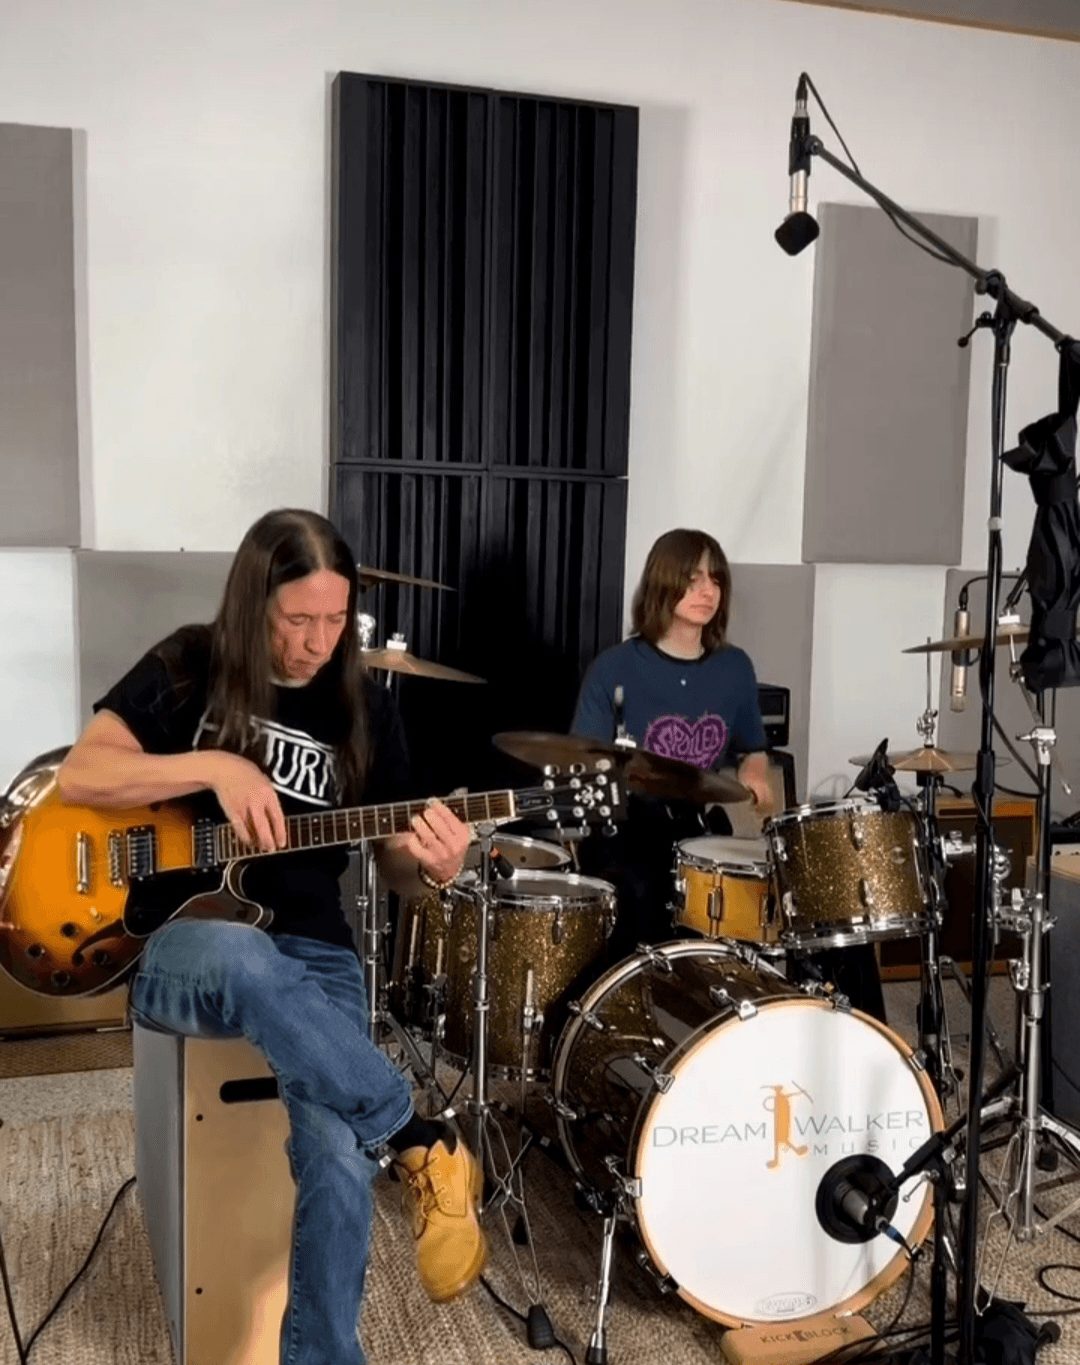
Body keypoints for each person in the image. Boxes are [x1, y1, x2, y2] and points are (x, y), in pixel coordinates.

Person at [57, 509, 484, 1365]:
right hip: (180, 941)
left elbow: (397, 865)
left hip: (315, 948)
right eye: (298, 619)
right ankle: (414, 1135)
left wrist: (436, 865)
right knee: (244, 954)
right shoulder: (192, 662)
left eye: (335, 619)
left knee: (335, 1149)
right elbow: (81, 772)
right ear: (255, 601)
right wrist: (215, 765)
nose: (318, 642)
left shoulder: (365, 705)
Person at [572, 528, 773, 959]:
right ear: (663, 581)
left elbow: (753, 748)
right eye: (693, 578)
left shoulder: (734, 668)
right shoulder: (614, 668)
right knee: (640, 892)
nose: (708, 591)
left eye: (716, 579)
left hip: (697, 829)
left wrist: (754, 773)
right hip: (626, 831)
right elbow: (582, 764)